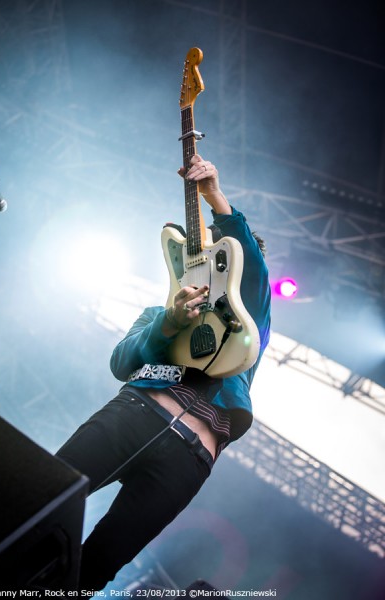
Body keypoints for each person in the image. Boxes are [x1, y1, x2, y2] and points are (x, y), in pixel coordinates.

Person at [56, 154, 271, 592]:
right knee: (41, 495)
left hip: (188, 459)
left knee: (98, 565)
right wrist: (168, 323)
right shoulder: (157, 313)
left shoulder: (250, 322)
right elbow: (121, 362)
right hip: (133, 413)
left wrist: (214, 193)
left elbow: (251, 262)